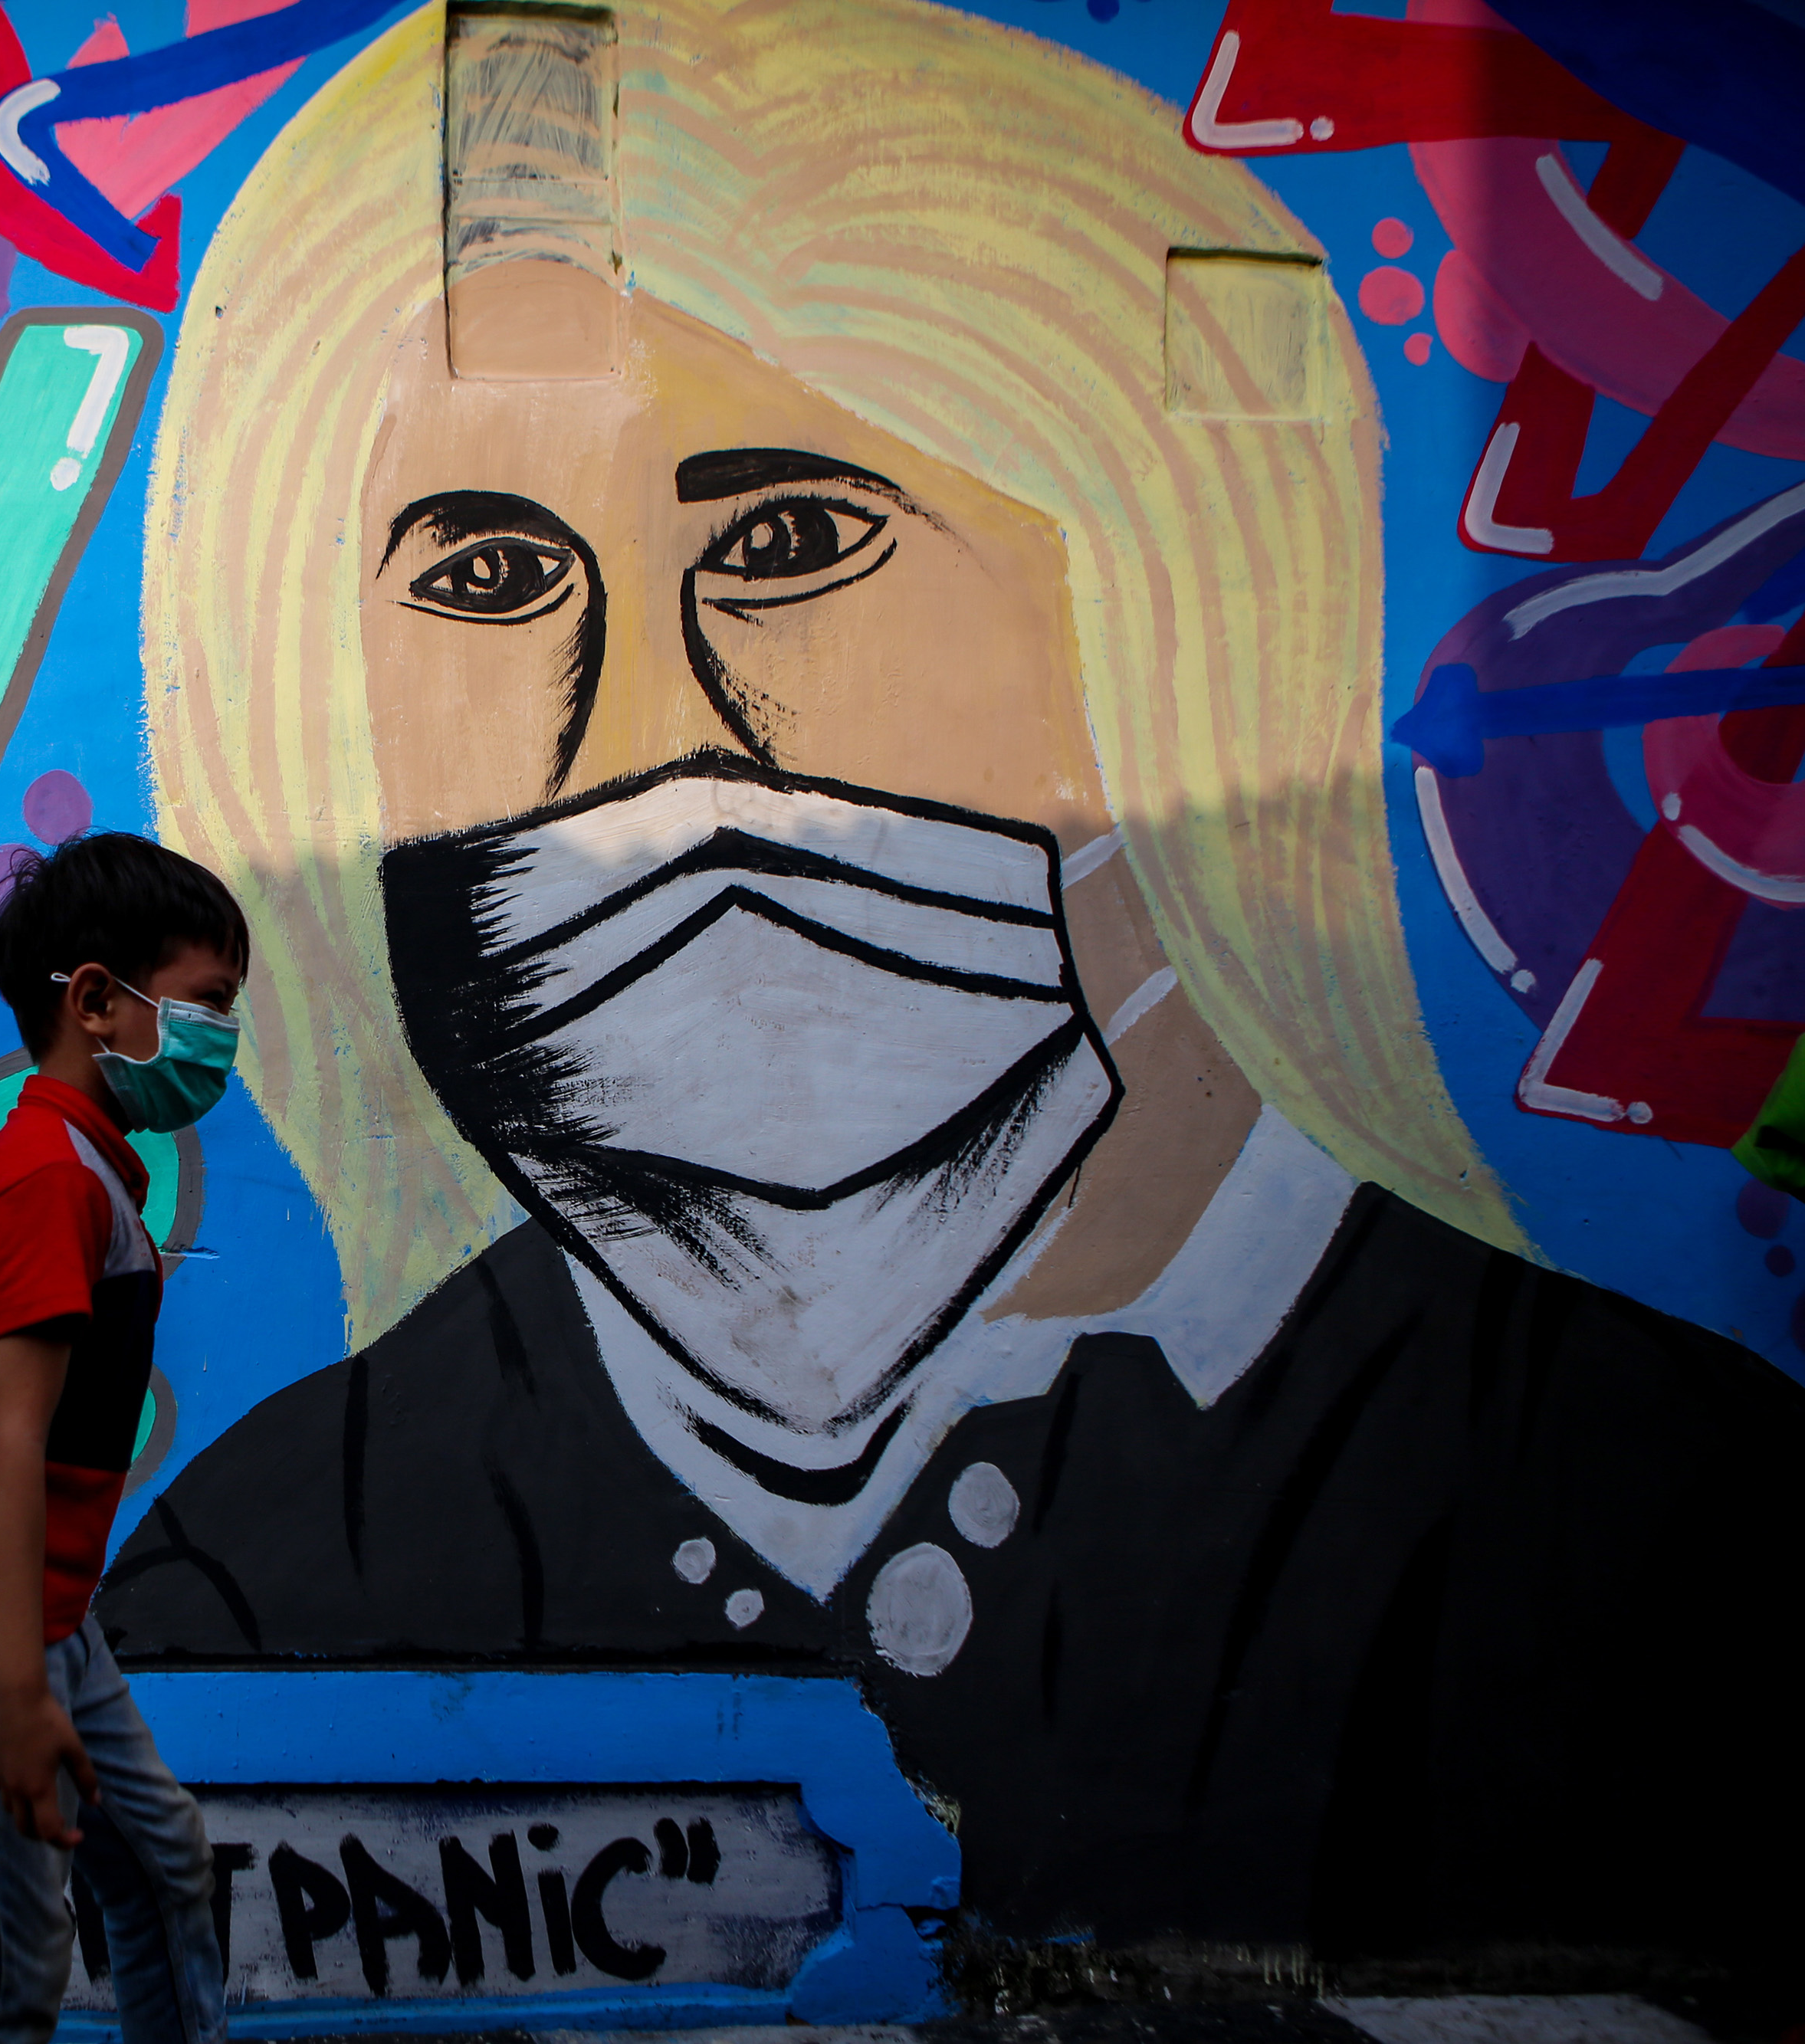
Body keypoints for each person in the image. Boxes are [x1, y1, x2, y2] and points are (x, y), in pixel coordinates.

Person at [93, 0, 1805, 1967]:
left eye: (788, 539)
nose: (640, 737)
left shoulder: (1648, 1511)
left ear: (1164, 609)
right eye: (486, 579)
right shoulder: (277, 1554)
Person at [0, 831, 247, 2044]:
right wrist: (19, 1697)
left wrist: (47, 1660)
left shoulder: (92, 1168)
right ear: (94, 1001)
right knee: (2, 1989)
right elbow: (9, 1444)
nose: (223, 1040)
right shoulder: (46, 1179)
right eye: (207, 1005)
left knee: (163, 1868)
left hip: (45, 1619)